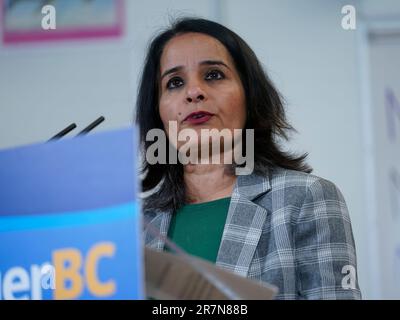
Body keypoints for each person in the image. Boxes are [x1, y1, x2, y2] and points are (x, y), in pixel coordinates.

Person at [136, 17, 361, 300]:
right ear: (157, 112)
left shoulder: (307, 197)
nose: (194, 92)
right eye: (175, 82)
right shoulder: (134, 222)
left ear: (249, 95)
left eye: (214, 75)